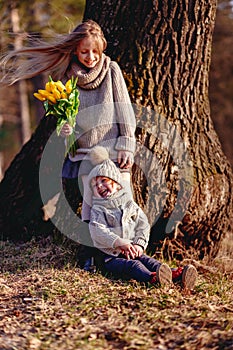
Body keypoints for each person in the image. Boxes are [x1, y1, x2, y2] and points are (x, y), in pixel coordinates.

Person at [0, 19, 136, 222]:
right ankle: (92, 248)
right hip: (84, 154)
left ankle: (129, 244)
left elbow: (124, 110)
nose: (90, 57)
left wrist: (127, 143)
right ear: (75, 51)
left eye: (95, 52)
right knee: (91, 201)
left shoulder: (111, 71)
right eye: (84, 52)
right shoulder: (66, 79)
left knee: (122, 196)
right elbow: (67, 122)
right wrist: (66, 130)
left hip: (113, 151)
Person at [87, 146, 198, 290]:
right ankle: (152, 278)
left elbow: (143, 224)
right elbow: (97, 231)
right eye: (95, 185)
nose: (100, 186)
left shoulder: (128, 203)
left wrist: (139, 244)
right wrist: (119, 242)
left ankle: (176, 275)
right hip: (111, 258)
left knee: (150, 261)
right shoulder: (97, 209)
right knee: (134, 266)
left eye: (103, 180)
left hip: (132, 250)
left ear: (115, 182)